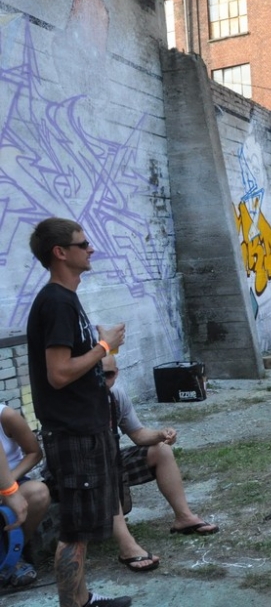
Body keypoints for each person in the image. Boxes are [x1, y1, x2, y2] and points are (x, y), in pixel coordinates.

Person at [26, 217, 131, 607]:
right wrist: (103, 347)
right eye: (82, 244)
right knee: (74, 530)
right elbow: (58, 374)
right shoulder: (56, 301)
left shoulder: (66, 299)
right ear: (60, 252)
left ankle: (82, 599)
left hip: (86, 427)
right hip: (73, 432)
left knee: (84, 528)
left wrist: (98, 347)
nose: (91, 249)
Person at [103, 354, 218, 573]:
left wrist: (161, 434)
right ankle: (127, 546)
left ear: (116, 374)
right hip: (84, 469)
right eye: (95, 374)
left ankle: (184, 517)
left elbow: (138, 434)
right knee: (103, 466)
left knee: (161, 450)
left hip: (111, 460)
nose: (102, 380)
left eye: (107, 374)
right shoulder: (78, 399)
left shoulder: (116, 395)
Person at [0, 404, 50, 586]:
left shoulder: (6, 416)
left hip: (13, 479)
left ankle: (16, 553)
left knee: (38, 493)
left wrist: (7, 484)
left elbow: (35, 452)